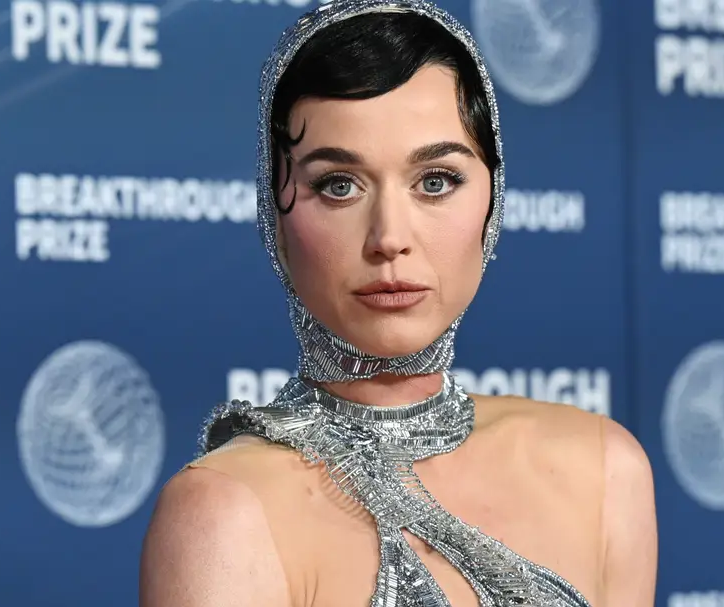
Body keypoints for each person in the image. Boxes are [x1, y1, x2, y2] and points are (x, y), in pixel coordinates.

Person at [139, 1, 657, 605]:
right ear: (273, 216)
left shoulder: (604, 470)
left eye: (435, 181)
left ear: (493, 202)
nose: (389, 237)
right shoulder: (223, 515)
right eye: (338, 186)